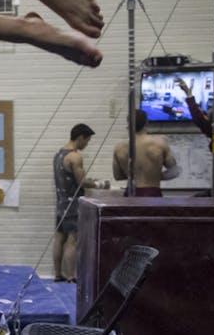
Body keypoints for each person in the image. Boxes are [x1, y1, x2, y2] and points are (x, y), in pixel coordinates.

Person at [52, 123, 110, 282]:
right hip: (73, 205)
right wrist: (101, 184)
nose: (87, 144)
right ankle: (71, 276)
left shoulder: (58, 155)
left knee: (59, 238)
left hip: (61, 203)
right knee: (73, 239)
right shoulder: (75, 157)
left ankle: (58, 274)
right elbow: (82, 182)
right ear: (80, 138)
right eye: (87, 141)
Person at [112, 110, 180, 196]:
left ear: (128, 124)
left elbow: (117, 176)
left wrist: (135, 174)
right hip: (152, 193)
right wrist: (155, 175)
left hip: (130, 194)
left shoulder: (119, 148)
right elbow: (174, 172)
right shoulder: (160, 144)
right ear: (146, 123)